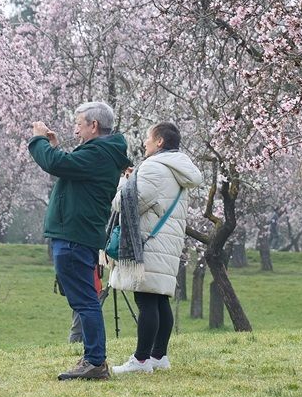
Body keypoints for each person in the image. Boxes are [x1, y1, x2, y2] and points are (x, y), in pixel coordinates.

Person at [28, 101, 129, 381]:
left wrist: (38, 140)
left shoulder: (100, 153)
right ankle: (92, 358)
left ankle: (95, 361)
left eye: (79, 124)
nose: (75, 130)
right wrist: (54, 146)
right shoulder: (102, 152)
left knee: (85, 301)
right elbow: (68, 166)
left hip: (75, 235)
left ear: (93, 126)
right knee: (84, 300)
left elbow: (57, 164)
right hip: (76, 234)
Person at [107, 122, 202, 375]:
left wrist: (121, 183)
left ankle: (140, 361)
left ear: (160, 141)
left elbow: (125, 204)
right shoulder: (177, 167)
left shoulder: (154, 167)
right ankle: (158, 355)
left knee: (147, 298)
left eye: (148, 138)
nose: (144, 143)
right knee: (159, 299)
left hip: (150, 242)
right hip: (165, 242)